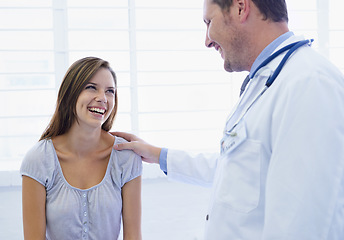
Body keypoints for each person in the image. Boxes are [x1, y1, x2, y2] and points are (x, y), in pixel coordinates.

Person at [113, 0, 344, 239]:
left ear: (241, 8)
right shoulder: (268, 81)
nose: (207, 40)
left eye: (209, 22)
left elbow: (304, 225)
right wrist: (157, 155)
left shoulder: (309, 83)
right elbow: (236, 171)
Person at [20, 57, 142, 240]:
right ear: (70, 94)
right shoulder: (38, 159)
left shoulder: (126, 157)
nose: (102, 98)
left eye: (110, 91)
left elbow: (133, 236)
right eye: (91, 87)